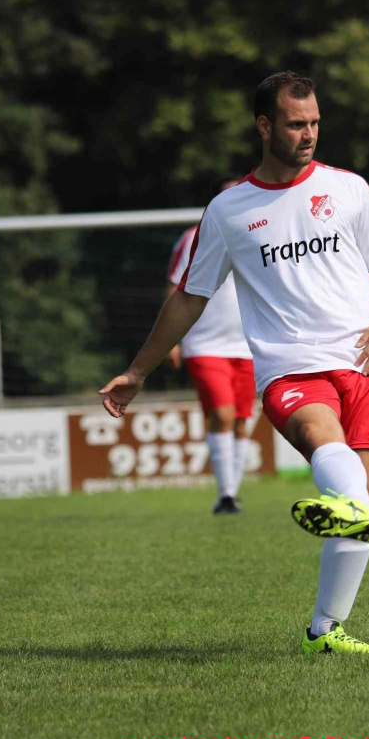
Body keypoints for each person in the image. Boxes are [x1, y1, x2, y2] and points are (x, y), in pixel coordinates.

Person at [100, 71, 369, 655]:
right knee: (329, 450)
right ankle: (340, 514)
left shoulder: (350, 189)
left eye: (315, 123)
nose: (309, 134)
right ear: (264, 126)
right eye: (295, 124)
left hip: (367, 362)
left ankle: (325, 630)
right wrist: (138, 371)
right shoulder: (228, 210)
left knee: (362, 496)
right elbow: (189, 296)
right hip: (291, 367)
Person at [165, 179, 256, 515]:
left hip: (249, 344)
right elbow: (175, 287)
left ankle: (232, 493)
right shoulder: (194, 236)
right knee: (222, 414)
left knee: (242, 421)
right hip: (204, 343)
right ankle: (226, 495)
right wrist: (171, 338)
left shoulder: (260, 234)